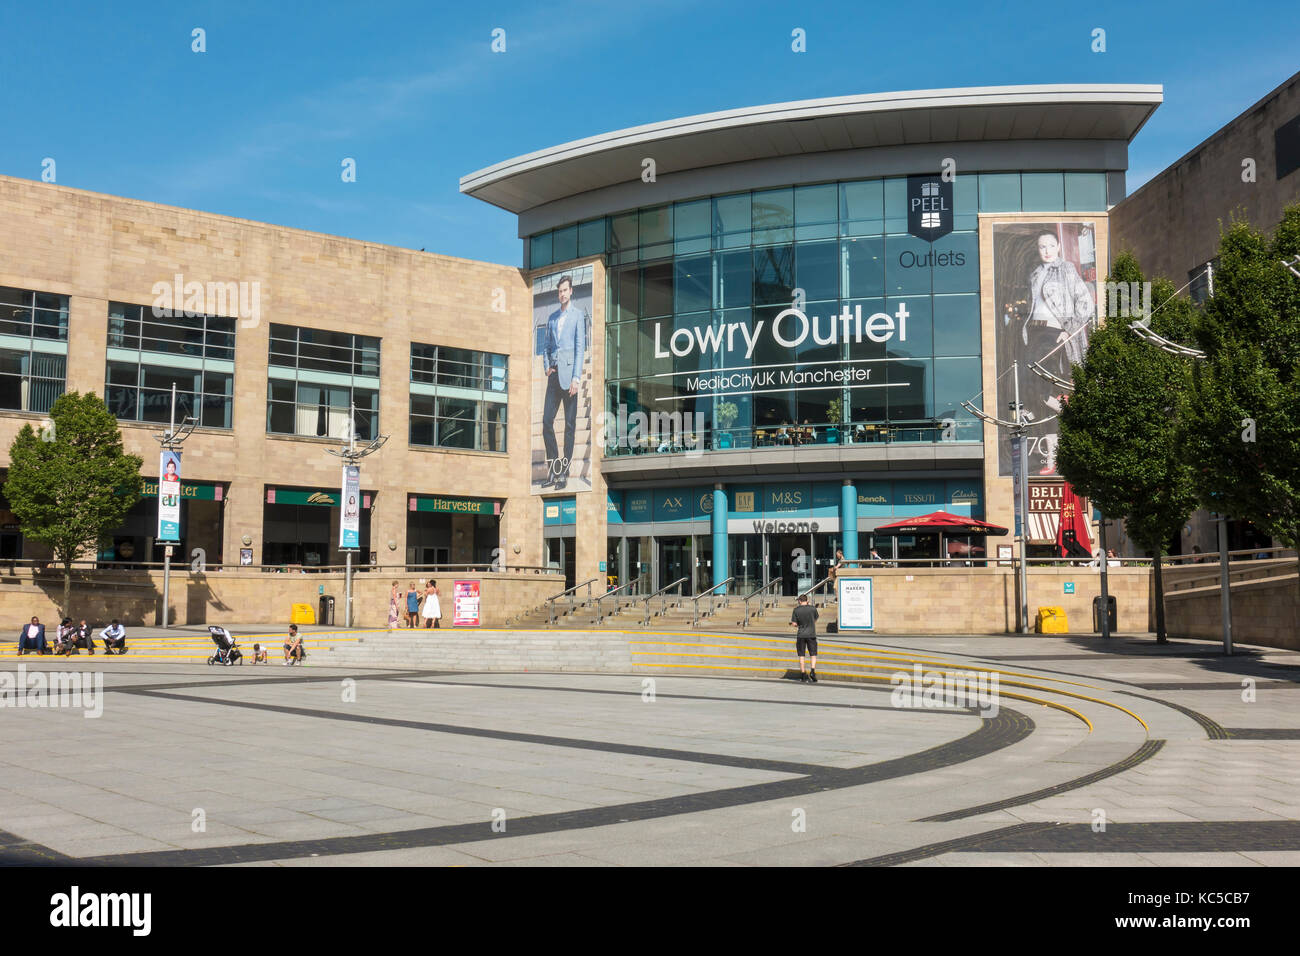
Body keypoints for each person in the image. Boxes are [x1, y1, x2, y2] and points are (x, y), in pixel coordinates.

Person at [541, 275, 587, 490]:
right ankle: (554, 469)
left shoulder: (578, 316)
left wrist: (577, 378)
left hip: (570, 379)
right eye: (559, 291)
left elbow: (580, 349)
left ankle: (564, 473)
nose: (562, 294)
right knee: (546, 421)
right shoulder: (551, 318)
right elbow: (546, 346)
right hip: (554, 375)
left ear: (571, 291)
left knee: (569, 426)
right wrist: (547, 366)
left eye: (565, 290)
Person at [790, 593, 819, 683]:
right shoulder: (813, 608)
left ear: (799, 601)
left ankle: (803, 674)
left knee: (801, 655)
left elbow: (794, 624)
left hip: (801, 635)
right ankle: (813, 671)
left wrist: (796, 625)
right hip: (811, 634)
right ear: (807, 600)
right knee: (813, 654)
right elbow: (815, 619)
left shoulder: (796, 610)